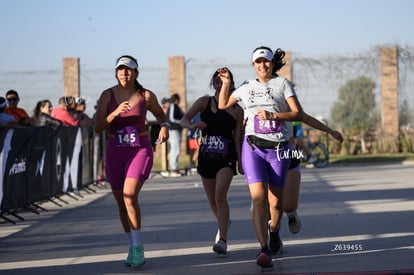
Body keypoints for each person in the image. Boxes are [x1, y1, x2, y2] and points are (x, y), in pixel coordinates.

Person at [217, 46, 306, 268]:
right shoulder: (247, 87)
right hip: (253, 147)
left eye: (266, 61)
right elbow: (222, 105)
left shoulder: (282, 84)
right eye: (258, 62)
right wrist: (227, 85)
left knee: (275, 204)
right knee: (258, 199)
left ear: (272, 63)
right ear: (253, 65)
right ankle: (264, 248)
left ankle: (274, 231)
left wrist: (273, 114)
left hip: (279, 148)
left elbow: (297, 114)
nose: (262, 65)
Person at [94, 55, 169, 268]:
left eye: (128, 70)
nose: (124, 73)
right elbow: (97, 127)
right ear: (116, 73)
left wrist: (164, 127)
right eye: (120, 70)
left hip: (139, 150)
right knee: (121, 202)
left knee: (129, 195)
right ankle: (130, 245)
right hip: (115, 151)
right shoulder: (107, 95)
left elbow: (162, 117)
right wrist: (114, 114)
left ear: (136, 73)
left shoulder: (146, 95)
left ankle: (138, 248)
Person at [180, 68, 244, 255]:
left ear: (231, 84)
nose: (220, 82)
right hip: (206, 156)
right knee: (212, 200)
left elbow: (238, 137)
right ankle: (223, 222)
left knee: (219, 195)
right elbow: (183, 120)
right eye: (217, 80)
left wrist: (240, 160)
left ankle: (223, 239)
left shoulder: (237, 110)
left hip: (227, 156)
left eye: (225, 79)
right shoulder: (203, 102)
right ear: (213, 84)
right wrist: (192, 125)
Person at [163, 93, 184, 177]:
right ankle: (173, 169)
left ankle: (175, 168)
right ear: (176, 99)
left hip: (177, 130)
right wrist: (181, 122)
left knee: (176, 149)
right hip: (173, 130)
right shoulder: (172, 106)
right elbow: (171, 118)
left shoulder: (177, 107)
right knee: (174, 150)